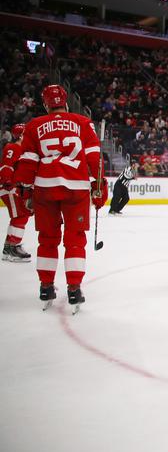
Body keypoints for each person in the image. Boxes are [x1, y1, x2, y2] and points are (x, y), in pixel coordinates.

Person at [14, 84, 108, 311]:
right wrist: (99, 186)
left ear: (46, 105)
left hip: (45, 188)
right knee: (75, 239)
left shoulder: (34, 125)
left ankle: (46, 286)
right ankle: (74, 289)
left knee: (47, 238)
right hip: (76, 188)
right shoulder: (83, 122)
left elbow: (27, 162)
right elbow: (94, 158)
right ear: (65, 102)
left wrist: (25, 191)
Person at [0, 123, 33, 262]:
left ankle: (9, 248)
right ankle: (13, 248)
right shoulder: (13, 147)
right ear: (21, 135)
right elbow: (6, 164)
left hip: (13, 187)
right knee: (21, 215)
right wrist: (7, 181)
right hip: (9, 187)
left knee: (21, 215)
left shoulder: (22, 149)